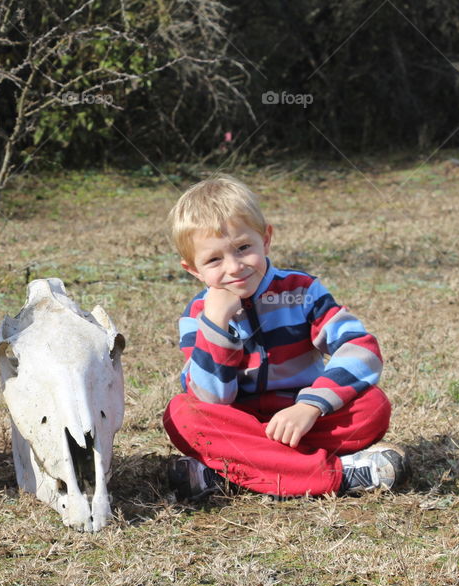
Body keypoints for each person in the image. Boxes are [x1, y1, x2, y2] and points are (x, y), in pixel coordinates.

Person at [163, 176, 408, 501]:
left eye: (243, 248)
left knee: (372, 406)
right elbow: (212, 398)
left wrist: (310, 404)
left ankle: (230, 473)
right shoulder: (197, 315)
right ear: (193, 269)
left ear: (265, 240)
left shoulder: (301, 290)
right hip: (240, 422)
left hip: (303, 417)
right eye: (214, 260)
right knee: (183, 414)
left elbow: (360, 349)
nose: (234, 267)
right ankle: (342, 476)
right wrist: (216, 323)